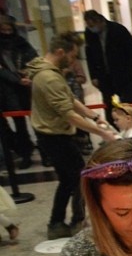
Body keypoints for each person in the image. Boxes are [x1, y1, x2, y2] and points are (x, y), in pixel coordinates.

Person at [28, 31, 117, 239]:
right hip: (54, 136)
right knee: (80, 178)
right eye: (72, 55)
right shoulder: (49, 77)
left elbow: (69, 99)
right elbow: (68, 114)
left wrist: (93, 116)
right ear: (61, 51)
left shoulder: (47, 71)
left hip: (53, 134)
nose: (74, 60)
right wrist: (102, 133)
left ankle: (58, 222)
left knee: (68, 180)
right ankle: (75, 221)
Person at [83, 10, 132, 122]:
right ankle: (114, 129)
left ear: (99, 21)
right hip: (104, 76)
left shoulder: (118, 30)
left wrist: (129, 71)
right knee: (108, 105)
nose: (90, 28)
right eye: (88, 26)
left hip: (123, 75)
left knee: (129, 105)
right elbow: (90, 56)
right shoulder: (89, 34)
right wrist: (93, 76)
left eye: (92, 25)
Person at [0, 15, 38, 168]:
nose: (7, 33)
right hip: (8, 90)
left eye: (9, 29)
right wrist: (16, 79)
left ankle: (44, 153)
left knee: (36, 122)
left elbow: (34, 59)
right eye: (3, 30)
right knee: (19, 124)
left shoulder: (21, 43)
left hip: (26, 88)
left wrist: (27, 72)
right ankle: (25, 154)